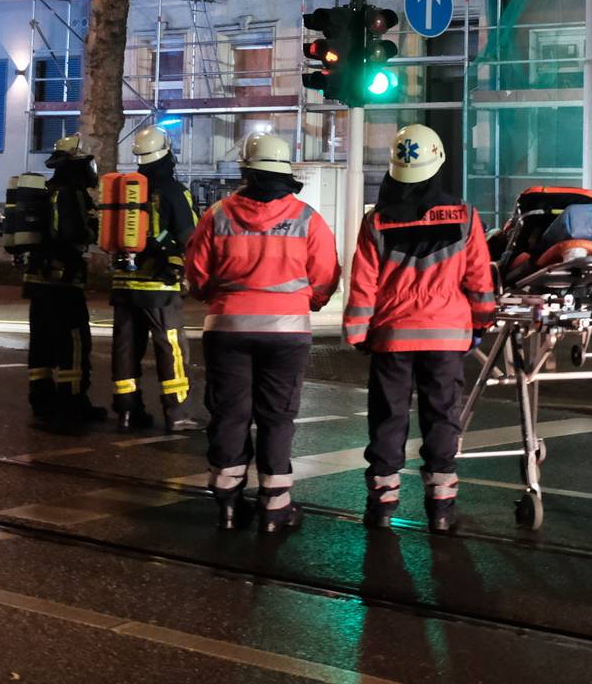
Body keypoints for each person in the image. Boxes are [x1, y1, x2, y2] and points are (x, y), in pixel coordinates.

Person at [183, 133, 339, 532]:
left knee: (230, 414)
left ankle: (228, 503)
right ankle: (275, 506)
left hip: (228, 327)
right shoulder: (307, 218)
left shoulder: (217, 214)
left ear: (247, 171)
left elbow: (196, 274)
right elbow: (325, 275)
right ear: (286, 172)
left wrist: (217, 297)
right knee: (277, 418)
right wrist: (309, 303)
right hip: (287, 333)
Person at [344, 124, 495, 534]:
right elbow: (480, 278)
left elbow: (363, 282)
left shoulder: (377, 221)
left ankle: (382, 503)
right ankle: (442, 507)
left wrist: (358, 332)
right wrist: (481, 320)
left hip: (392, 337)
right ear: (439, 162)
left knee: (388, 418)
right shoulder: (465, 216)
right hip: (447, 337)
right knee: (442, 416)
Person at [108, 124, 196, 432]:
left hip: (123, 284)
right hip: (159, 286)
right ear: (167, 152)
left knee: (125, 348)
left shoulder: (124, 190)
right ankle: (178, 413)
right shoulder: (174, 192)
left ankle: (127, 412)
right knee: (170, 348)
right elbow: (191, 239)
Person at [29, 132, 101, 423]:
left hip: (39, 278)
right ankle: (71, 403)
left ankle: (42, 401)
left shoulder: (49, 189)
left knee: (42, 343)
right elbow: (69, 234)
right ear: (76, 163)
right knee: (73, 341)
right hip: (63, 282)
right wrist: (93, 229)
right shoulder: (70, 192)